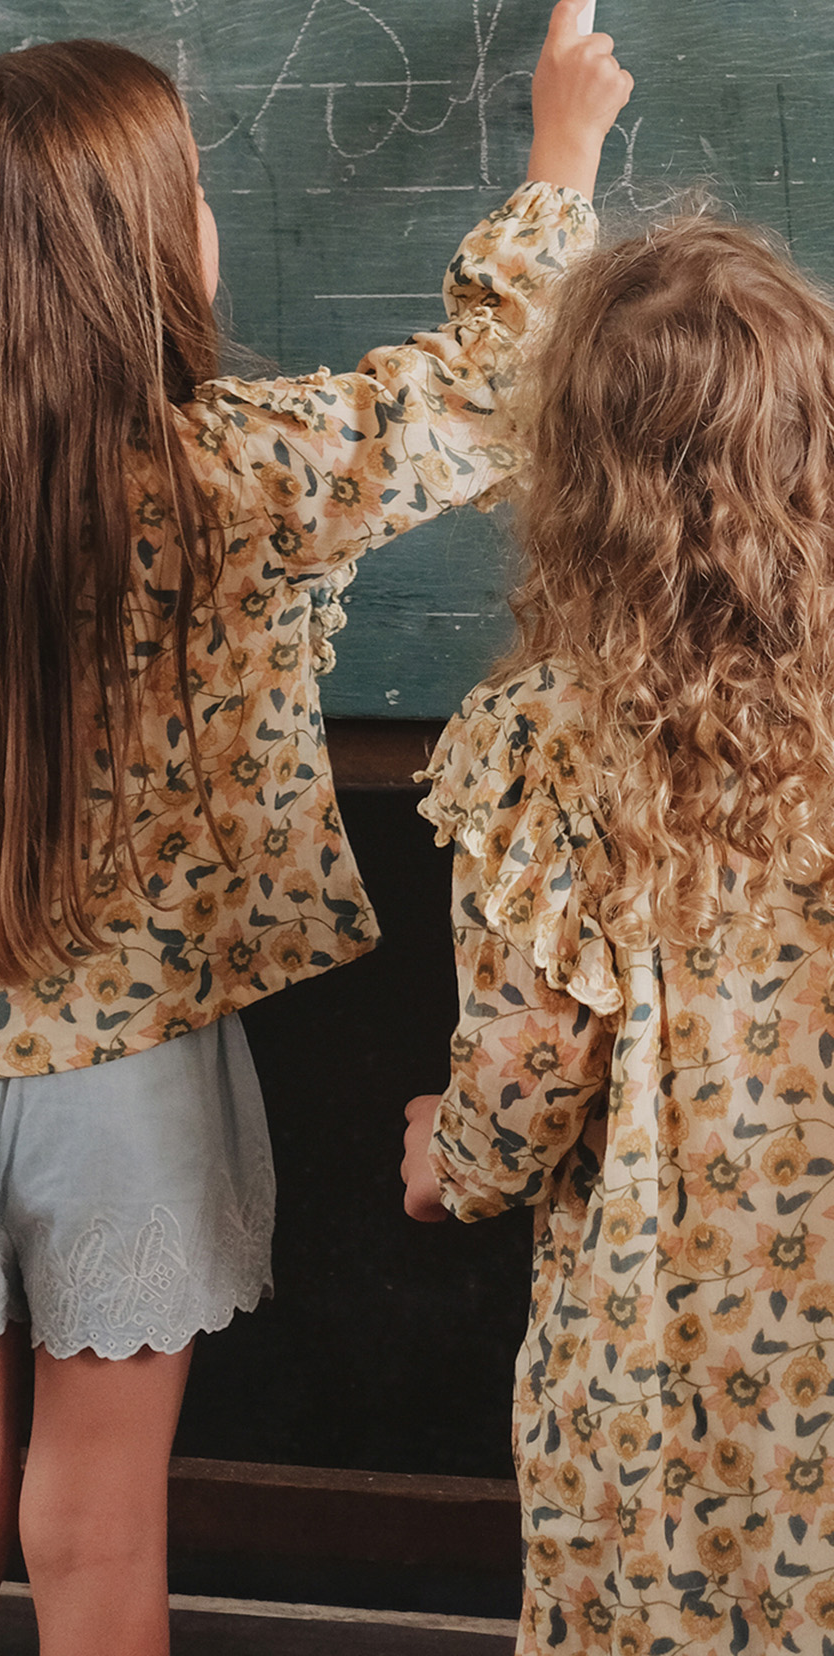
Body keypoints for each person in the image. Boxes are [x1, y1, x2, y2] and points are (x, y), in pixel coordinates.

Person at [0, 0, 630, 1656]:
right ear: (130, 255)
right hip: (125, 1086)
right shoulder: (238, 478)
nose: (213, 213)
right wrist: (561, 152)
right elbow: (491, 391)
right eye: (189, 185)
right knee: (99, 1513)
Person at [402, 209, 834, 1654]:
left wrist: (446, 1159)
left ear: (577, 479)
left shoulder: (551, 743)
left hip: (664, 1359)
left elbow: (529, 1077)